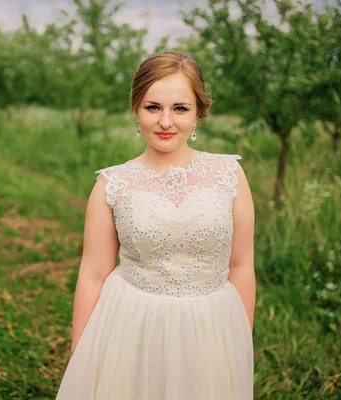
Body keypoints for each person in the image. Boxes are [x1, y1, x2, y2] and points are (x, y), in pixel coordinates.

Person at [55, 51, 255, 399]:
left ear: (198, 113)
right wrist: (82, 357)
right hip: (131, 326)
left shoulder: (229, 174)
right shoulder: (111, 183)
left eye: (180, 108)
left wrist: (239, 342)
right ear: (136, 109)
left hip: (210, 326)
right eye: (153, 107)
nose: (166, 121)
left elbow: (241, 265)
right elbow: (92, 273)